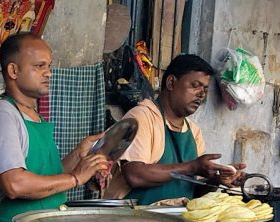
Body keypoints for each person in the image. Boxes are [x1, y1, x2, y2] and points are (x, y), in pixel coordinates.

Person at [0, 32, 108, 222]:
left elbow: (44, 174)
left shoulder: (34, 116)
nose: (48, 73)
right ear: (13, 71)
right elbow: (15, 184)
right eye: (39, 66)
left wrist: (79, 155)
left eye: (49, 65)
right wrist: (76, 178)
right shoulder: (3, 116)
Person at [104, 54, 245, 205]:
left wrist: (217, 180)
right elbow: (134, 175)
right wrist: (192, 167)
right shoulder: (143, 117)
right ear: (171, 83)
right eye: (195, 85)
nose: (201, 94)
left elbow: (192, 193)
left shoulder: (194, 131)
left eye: (205, 88)